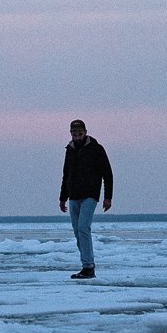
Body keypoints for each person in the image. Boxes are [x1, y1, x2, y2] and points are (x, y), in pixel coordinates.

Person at [59, 119, 113, 279]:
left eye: (80, 134)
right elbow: (66, 175)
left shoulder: (96, 149)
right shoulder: (70, 150)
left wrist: (107, 197)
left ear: (85, 132)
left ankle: (89, 267)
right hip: (74, 196)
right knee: (77, 232)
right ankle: (86, 265)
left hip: (90, 195)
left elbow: (107, 174)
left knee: (83, 228)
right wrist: (62, 198)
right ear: (71, 134)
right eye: (74, 134)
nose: (77, 137)